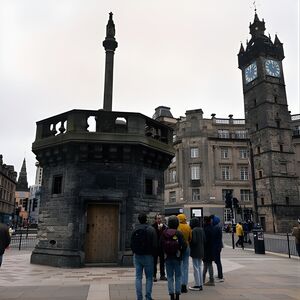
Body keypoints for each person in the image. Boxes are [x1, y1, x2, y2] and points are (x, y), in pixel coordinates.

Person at [131, 213, 157, 300]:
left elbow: (131, 244)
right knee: (149, 277)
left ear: (139, 220)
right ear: (146, 219)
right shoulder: (151, 229)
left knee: (138, 277)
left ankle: (139, 297)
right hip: (148, 256)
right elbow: (155, 244)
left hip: (137, 255)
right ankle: (148, 297)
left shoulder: (135, 229)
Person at [161, 215, 187, 300]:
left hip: (167, 257)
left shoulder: (164, 232)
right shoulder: (178, 233)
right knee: (178, 276)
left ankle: (171, 294)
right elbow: (185, 245)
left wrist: (164, 253)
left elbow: (160, 244)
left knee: (170, 277)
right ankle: (178, 295)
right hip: (177, 257)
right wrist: (181, 252)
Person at [189, 217, 205, 291]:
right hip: (201, 250)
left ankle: (197, 285)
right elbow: (204, 240)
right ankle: (201, 284)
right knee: (199, 267)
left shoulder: (194, 230)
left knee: (195, 267)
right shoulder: (201, 229)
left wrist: (190, 242)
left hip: (195, 251)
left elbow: (194, 241)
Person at [177, 213, 192, 293]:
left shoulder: (177, 227)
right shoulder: (188, 226)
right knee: (185, 266)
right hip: (187, 246)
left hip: (179, 247)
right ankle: (184, 285)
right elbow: (190, 237)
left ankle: (179, 284)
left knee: (179, 266)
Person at [152, 213, 167, 281]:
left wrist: (161, 230)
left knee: (162, 262)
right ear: (155, 219)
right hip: (155, 247)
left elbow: (165, 236)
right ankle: (154, 275)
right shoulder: (152, 226)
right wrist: (158, 230)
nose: (159, 220)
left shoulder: (164, 227)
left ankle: (162, 275)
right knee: (154, 262)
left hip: (162, 247)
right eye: (158, 218)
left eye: (160, 218)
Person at [211, 215, 224, 282]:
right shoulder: (218, 227)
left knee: (218, 261)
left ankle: (220, 276)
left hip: (216, 246)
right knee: (217, 261)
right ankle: (220, 274)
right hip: (218, 246)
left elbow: (213, 237)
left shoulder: (216, 227)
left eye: (212, 220)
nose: (211, 221)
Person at [202, 216, 215, 286]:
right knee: (207, 264)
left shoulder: (206, 229)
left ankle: (210, 280)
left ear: (205, 221)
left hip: (207, 249)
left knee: (207, 264)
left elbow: (205, 240)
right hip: (211, 249)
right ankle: (204, 279)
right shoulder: (212, 228)